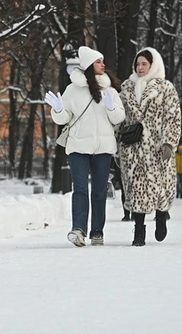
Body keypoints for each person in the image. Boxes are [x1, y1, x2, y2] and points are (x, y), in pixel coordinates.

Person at [45, 46, 124, 247]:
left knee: (98, 191)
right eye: (99, 62)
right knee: (79, 189)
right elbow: (64, 119)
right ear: (90, 65)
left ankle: (97, 231)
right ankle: (78, 229)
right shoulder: (72, 90)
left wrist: (111, 106)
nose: (103, 65)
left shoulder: (110, 90)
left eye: (103, 61)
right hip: (78, 147)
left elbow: (119, 118)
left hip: (103, 148)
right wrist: (58, 109)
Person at [118, 47, 182, 246]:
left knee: (160, 187)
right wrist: (117, 142)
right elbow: (119, 119)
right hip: (133, 148)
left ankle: (161, 216)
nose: (140, 67)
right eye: (138, 64)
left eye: (144, 63)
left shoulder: (165, 88)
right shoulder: (126, 88)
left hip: (157, 148)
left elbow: (173, 117)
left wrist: (169, 143)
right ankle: (138, 231)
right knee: (136, 188)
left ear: (154, 65)